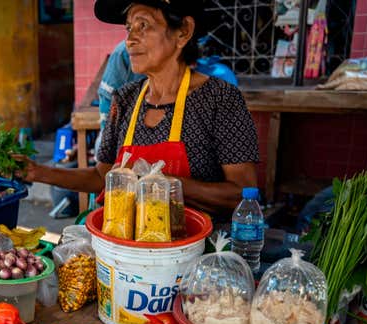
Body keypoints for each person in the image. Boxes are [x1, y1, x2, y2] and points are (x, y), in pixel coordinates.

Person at [16, 0, 260, 216]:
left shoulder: (221, 99)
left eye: (143, 25)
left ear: (183, 32)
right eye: (129, 28)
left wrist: (166, 185)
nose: (130, 39)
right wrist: (37, 172)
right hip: (126, 249)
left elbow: (242, 195)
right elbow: (102, 177)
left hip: (195, 253)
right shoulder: (125, 99)